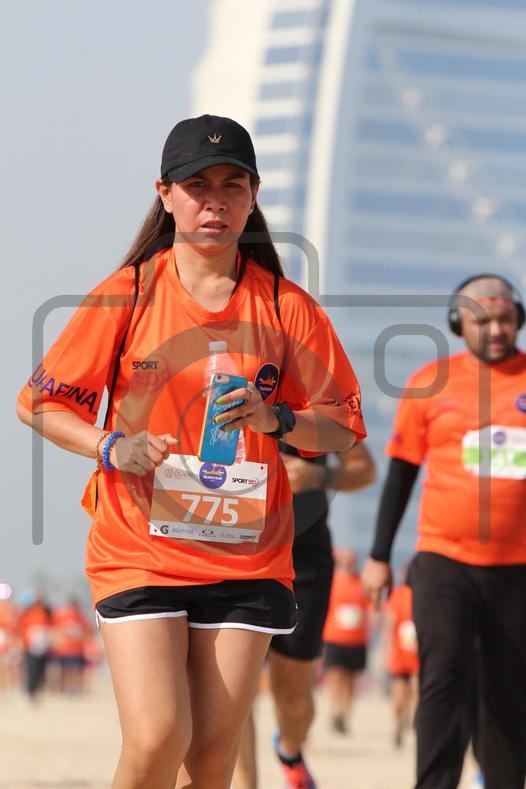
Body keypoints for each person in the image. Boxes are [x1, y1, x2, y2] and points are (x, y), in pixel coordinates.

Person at [17, 114, 366, 789]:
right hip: (140, 545)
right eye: (197, 185)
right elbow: (39, 403)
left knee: (209, 758)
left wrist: (277, 416)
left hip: (248, 553)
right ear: (166, 193)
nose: (215, 202)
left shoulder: (286, 306)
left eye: (233, 185)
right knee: (157, 735)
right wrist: (111, 445)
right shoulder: (128, 293)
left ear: (254, 196)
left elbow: (342, 426)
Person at [361, 274, 526, 789]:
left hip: (518, 568)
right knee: (444, 676)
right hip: (443, 561)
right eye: (482, 320)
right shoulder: (429, 383)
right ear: (458, 324)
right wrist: (379, 556)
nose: (495, 329)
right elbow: (401, 475)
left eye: (504, 318)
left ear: (518, 320)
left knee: (509, 691)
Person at [233, 442, 376, 789]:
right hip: (235, 550)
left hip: (304, 561)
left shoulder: (318, 407)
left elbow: (366, 470)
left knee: (294, 700)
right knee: (234, 692)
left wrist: (317, 475)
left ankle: (289, 751)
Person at [322, 548, 370, 736]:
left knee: (350, 680)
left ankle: (344, 713)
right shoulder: (332, 581)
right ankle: (334, 710)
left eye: (352, 559)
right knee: (334, 676)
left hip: (356, 639)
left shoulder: (361, 582)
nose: (350, 563)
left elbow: (371, 608)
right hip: (334, 636)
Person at [384, 571, 419, 748]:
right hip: (400, 655)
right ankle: (398, 726)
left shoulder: (424, 593)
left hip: (418, 657)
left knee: (417, 693)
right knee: (399, 697)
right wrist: (386, 652)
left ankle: (415, 724)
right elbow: (389, 626)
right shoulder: (396, 596)